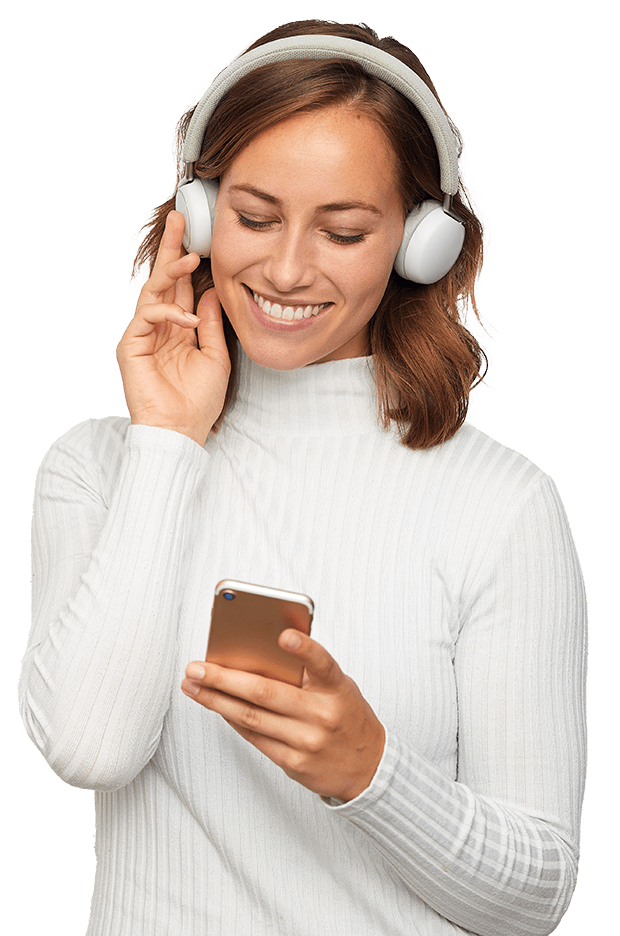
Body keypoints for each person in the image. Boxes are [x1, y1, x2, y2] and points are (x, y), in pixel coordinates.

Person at [18, 18, 587, 936]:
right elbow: (91, 747)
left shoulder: (501, 503)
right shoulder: (95, 467)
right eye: (252, 217)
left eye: (344, 231)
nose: (286, 269)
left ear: (421, 243)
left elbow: (536, 897)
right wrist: (167, 443)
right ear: (195, 217)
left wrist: (368, 771)